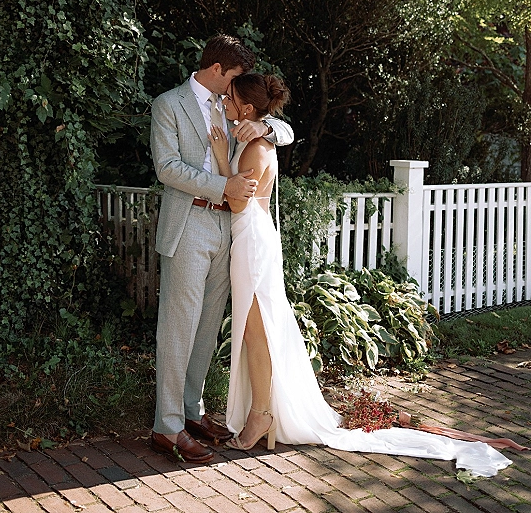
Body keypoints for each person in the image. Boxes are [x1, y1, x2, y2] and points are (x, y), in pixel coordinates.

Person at [208, 73, 514, 478]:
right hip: (252, 239)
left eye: (229, 98)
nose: (224, 102)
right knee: (254, 329)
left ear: (247, 108)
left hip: (251, 242)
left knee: (256, 330)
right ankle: (261, 412)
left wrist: (217, 157)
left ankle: (262, 415)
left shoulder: (256, 148)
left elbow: (234, 199)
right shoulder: (256, 140)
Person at [149, 35, 294, 464]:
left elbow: (282, 131)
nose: (237, 85)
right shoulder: (168, 104)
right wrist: (223, 186)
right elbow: (167, 167)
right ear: (217, 70)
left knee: (208, 326)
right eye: (233, 76)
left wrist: (266, 126)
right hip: (189, 222)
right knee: (179, 326)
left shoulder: (233, 104)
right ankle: (167, 426)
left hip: (227, 227)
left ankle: (191, 411)